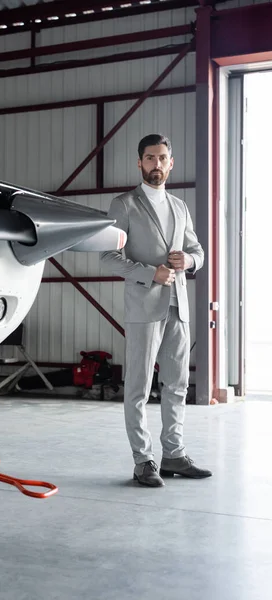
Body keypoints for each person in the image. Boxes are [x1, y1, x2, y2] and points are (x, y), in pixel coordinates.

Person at [100, 134, 212, 487]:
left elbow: (198, 251)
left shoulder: (180, 207)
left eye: (162, 158)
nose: (157, 165)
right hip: (144, 307)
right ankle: (143, 460)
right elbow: (107, 256)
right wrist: (151, 273)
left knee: (177, 384)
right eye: (150, 158)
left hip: (179, 307)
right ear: (139, 162)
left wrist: (189, 259)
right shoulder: (124, 205)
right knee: (138, 387)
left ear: (171, 162)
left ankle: (174, 456)